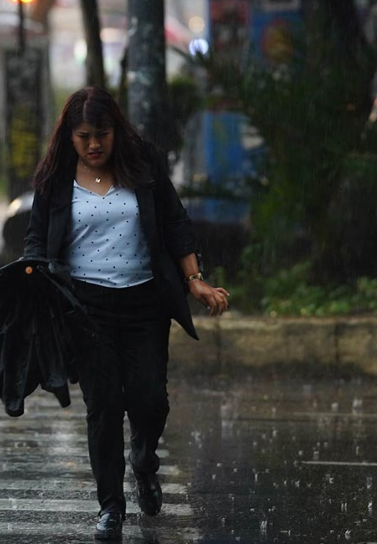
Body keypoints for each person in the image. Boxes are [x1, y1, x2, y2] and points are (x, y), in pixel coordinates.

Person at [23, 87, 229, 541]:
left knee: (150, 399)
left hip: (144, 304)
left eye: (102, 134)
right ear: (69, 137)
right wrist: (34, 277)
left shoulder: (142, 165)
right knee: (104, 407)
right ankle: (110, 507)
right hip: (86, 308)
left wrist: (194, 278)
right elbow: (38, 239)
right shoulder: (57, 177)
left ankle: (144, 458)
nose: (94, 145)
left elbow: (175, 220)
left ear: (116, 130)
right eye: (84, 136)